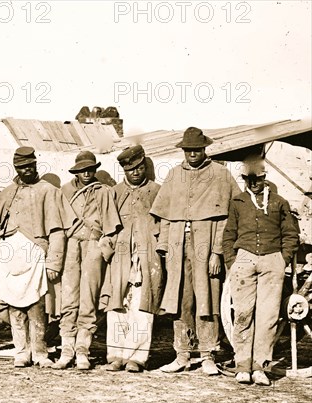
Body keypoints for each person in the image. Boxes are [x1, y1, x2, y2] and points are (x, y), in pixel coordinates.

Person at [150, 127, 241, 375]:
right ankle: (181, 354)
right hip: (178, 246)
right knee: (180, 299)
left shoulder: (221, 175)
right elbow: (166, 217)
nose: (192, 154)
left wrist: (216, 252)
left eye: (197, 149)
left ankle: (208, 354)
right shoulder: (174, 175)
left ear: (204, 149)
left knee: (207, 297)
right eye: (188, 150)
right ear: (183, 150)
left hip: (206, 244)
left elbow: (227, 218)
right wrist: (165, 247)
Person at [0, 146, 76, 368]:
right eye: (21, 167)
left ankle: (40, 352)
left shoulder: (49, 191)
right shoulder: (6, 194)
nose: (26, 170)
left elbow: (57, 232)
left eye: (30, 166)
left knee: (36, 307)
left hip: (36, 255)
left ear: (35, 165)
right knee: (14, 308)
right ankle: (21, 351)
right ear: (15, 168)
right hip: (10, 256)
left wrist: (54, 262)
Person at [222, 160, 299, 385]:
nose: (254, 183)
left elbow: (290, 234)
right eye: (249, 179)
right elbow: (229, 234)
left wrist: (281, 260)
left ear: (264, 178)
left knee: (268, 316)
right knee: (244, 314)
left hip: (272, 261)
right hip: (244, 261)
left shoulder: (279, 203)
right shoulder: (237, 203)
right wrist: (232, 261)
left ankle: (260, 367)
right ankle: (242, 366)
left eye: (258, 179)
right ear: (244, 180)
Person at [53, 151, 121, 370]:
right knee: (68, 297)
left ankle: (83, 350)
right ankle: (66, 350)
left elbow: (112, 227)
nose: (87, 173)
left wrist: (103, 246)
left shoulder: (105, 192)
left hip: (93, 245)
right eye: (82, 170)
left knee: (89, 297)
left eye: (90, 169)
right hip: (71, 245)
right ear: (76, 171)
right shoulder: (64, 191)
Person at [102, 145, 164, 372]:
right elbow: (106, 227)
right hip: (120, 257)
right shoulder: (114, 192)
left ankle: (136, 357)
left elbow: (164, 224)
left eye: (139, 168)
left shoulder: (157, 191)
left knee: (142, 306)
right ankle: (116, 355)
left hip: (147, 257)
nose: (136, 173)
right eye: (131, 169)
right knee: (117, 304)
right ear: (124, 171)